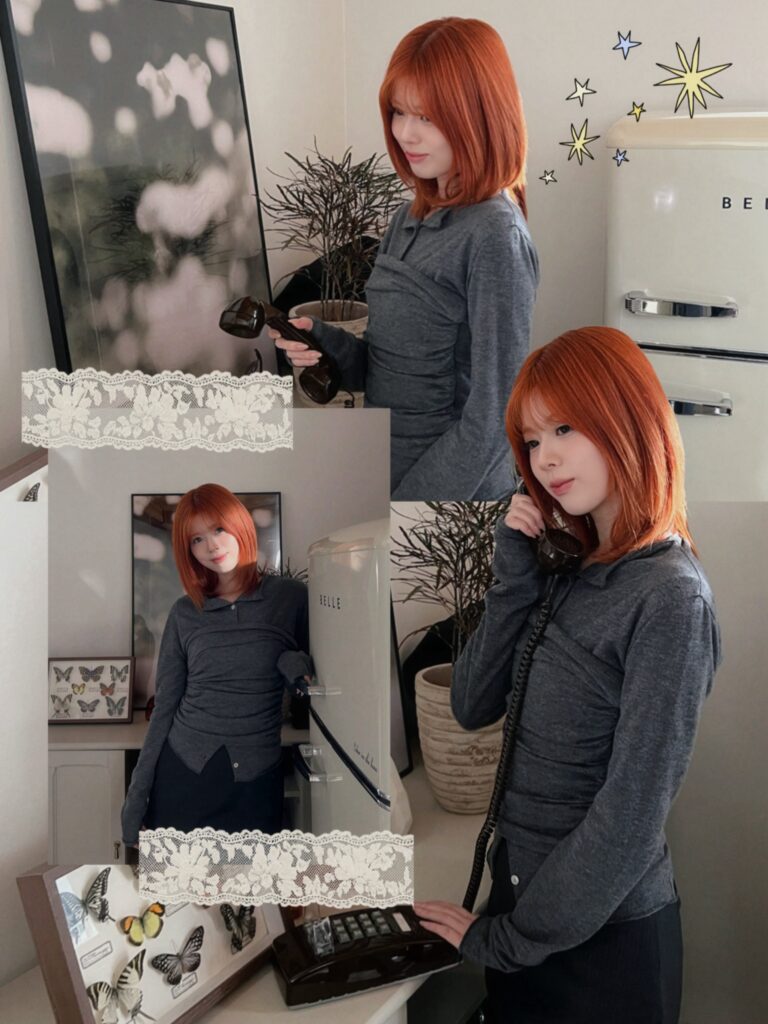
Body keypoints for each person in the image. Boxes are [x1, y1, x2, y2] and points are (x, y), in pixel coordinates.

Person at [413, 327, 722, 1023]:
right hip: (525, 905)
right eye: (530, 441)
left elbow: (631, 817)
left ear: (626, 419)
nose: (544, 458)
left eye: (563, 428)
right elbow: (469, 704)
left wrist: (508, 940)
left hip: (600, 946)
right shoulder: (570, 568)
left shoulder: (671, 598)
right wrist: (515, 577)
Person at [270, 17, 538, 501]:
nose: (405, 133)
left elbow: (498, 415)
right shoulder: (407, 218)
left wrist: (409, 508)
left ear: (480, 116)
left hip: (452, 498)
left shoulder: (495, 235)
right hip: (386, 468)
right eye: (398, 112)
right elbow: (390, 370)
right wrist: (325, 343)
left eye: (427, 117)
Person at [121, 484, 311, 846]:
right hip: (182, 774)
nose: (211, 546)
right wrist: (136, 798)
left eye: (219, 529)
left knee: (250, 879)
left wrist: (291, 661)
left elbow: (325, 669)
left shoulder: (290, 599)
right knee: (181, 882)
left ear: (240, 525)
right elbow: (165, 707)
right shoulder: (185, 613)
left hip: (255, 782)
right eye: (197, 539)